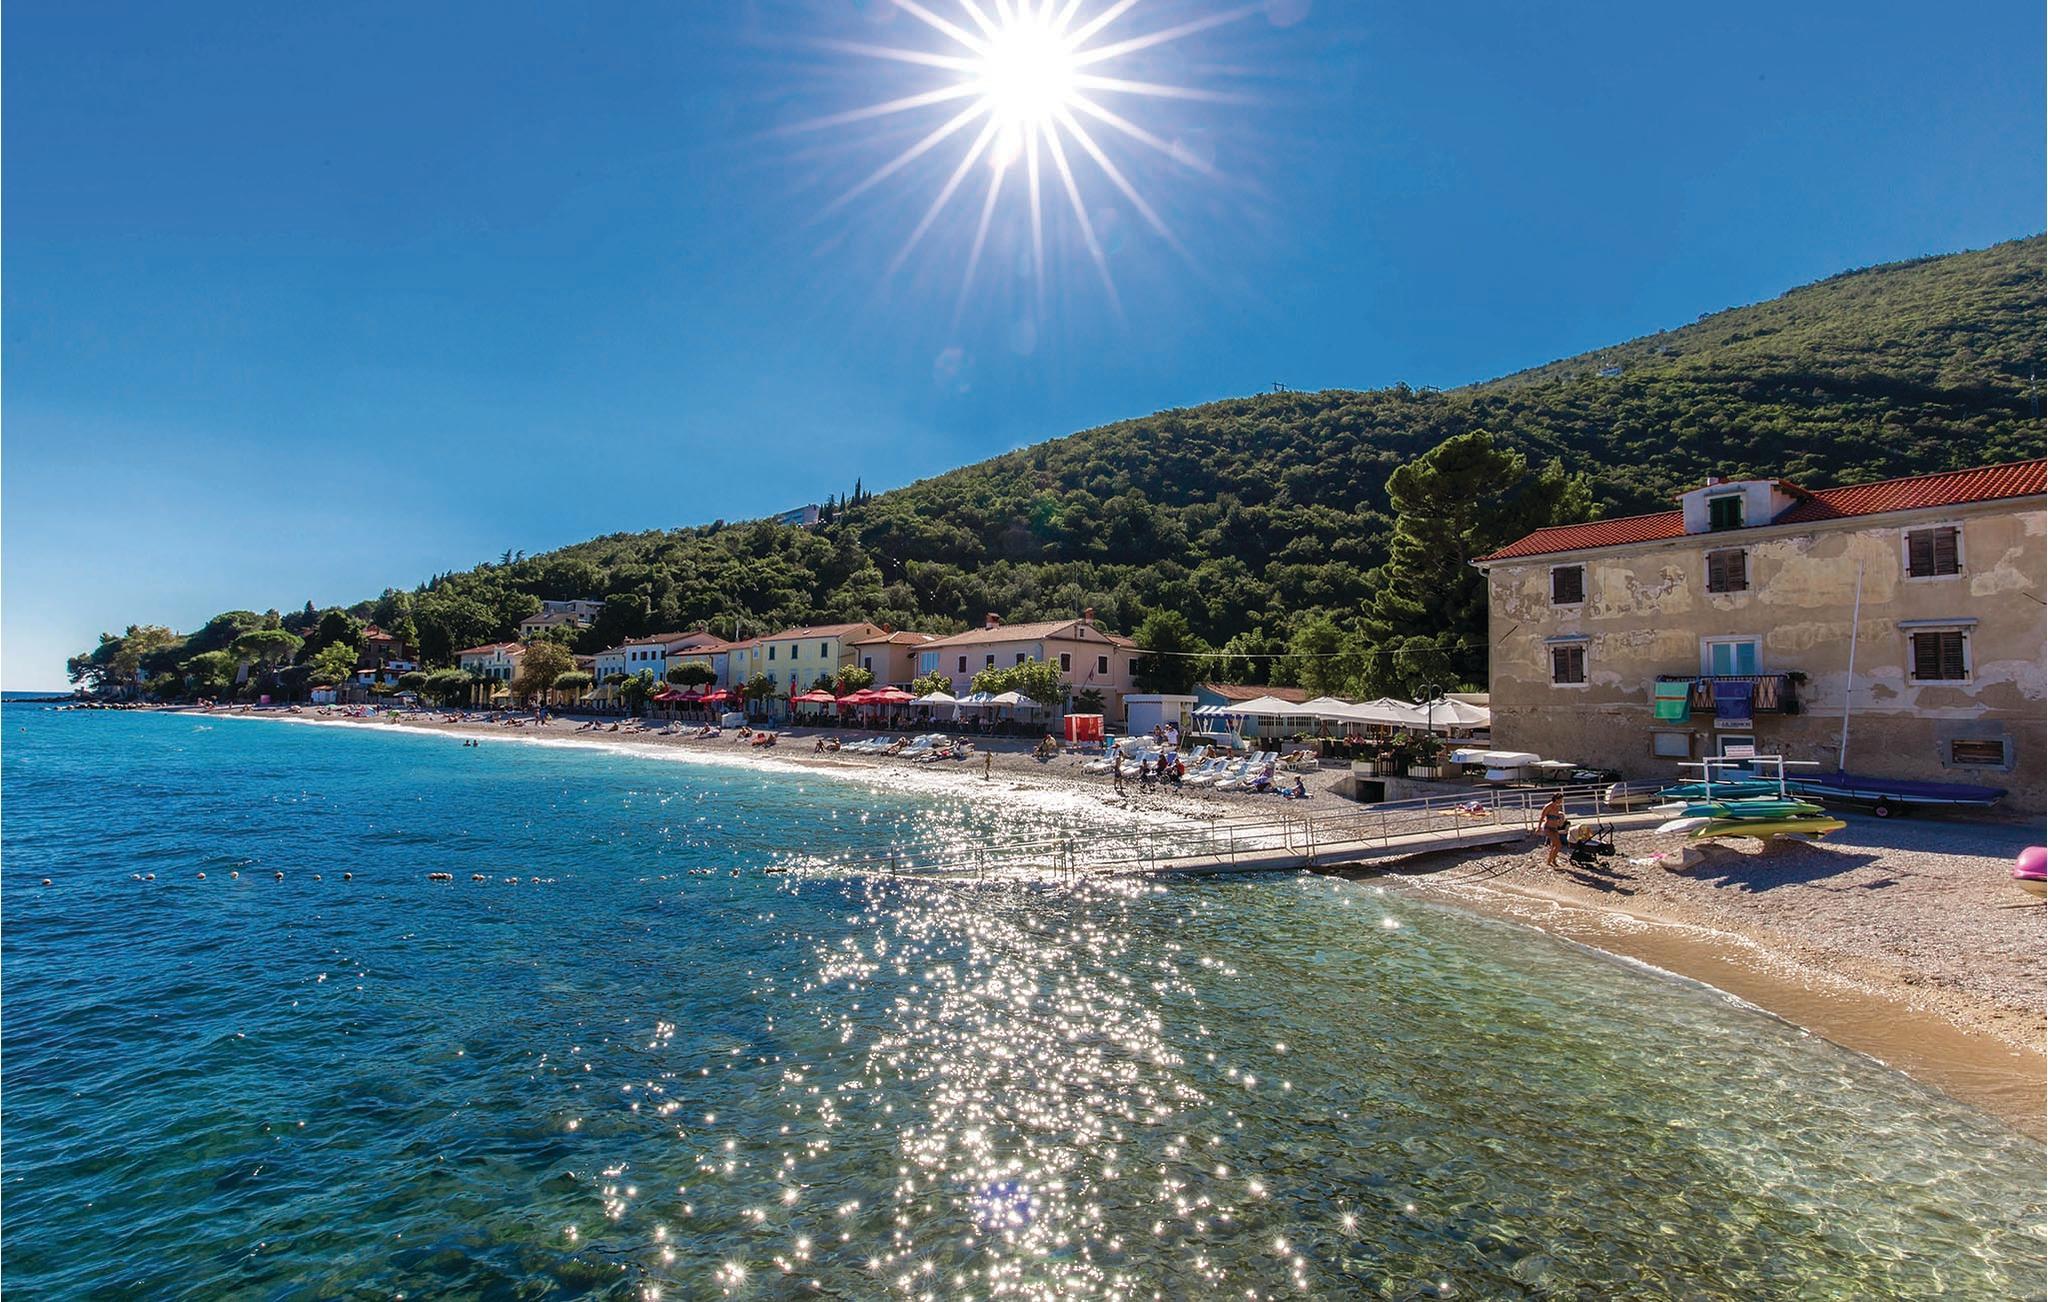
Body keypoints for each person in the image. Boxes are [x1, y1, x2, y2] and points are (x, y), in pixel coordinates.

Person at [1539, 793, 1569, 867]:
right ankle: (1553, 860)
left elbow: (1557, 817)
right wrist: (1538, 828)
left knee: (1554, 845)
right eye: (1560, 799)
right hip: (1548, 827)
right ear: (1556, 799)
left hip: (1554, 828)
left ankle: (1550, 860)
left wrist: (1560, 819)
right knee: (1558, 845)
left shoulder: (1557, 806)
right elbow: (1542, 817)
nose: (1561, 801)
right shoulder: (1548, 806)